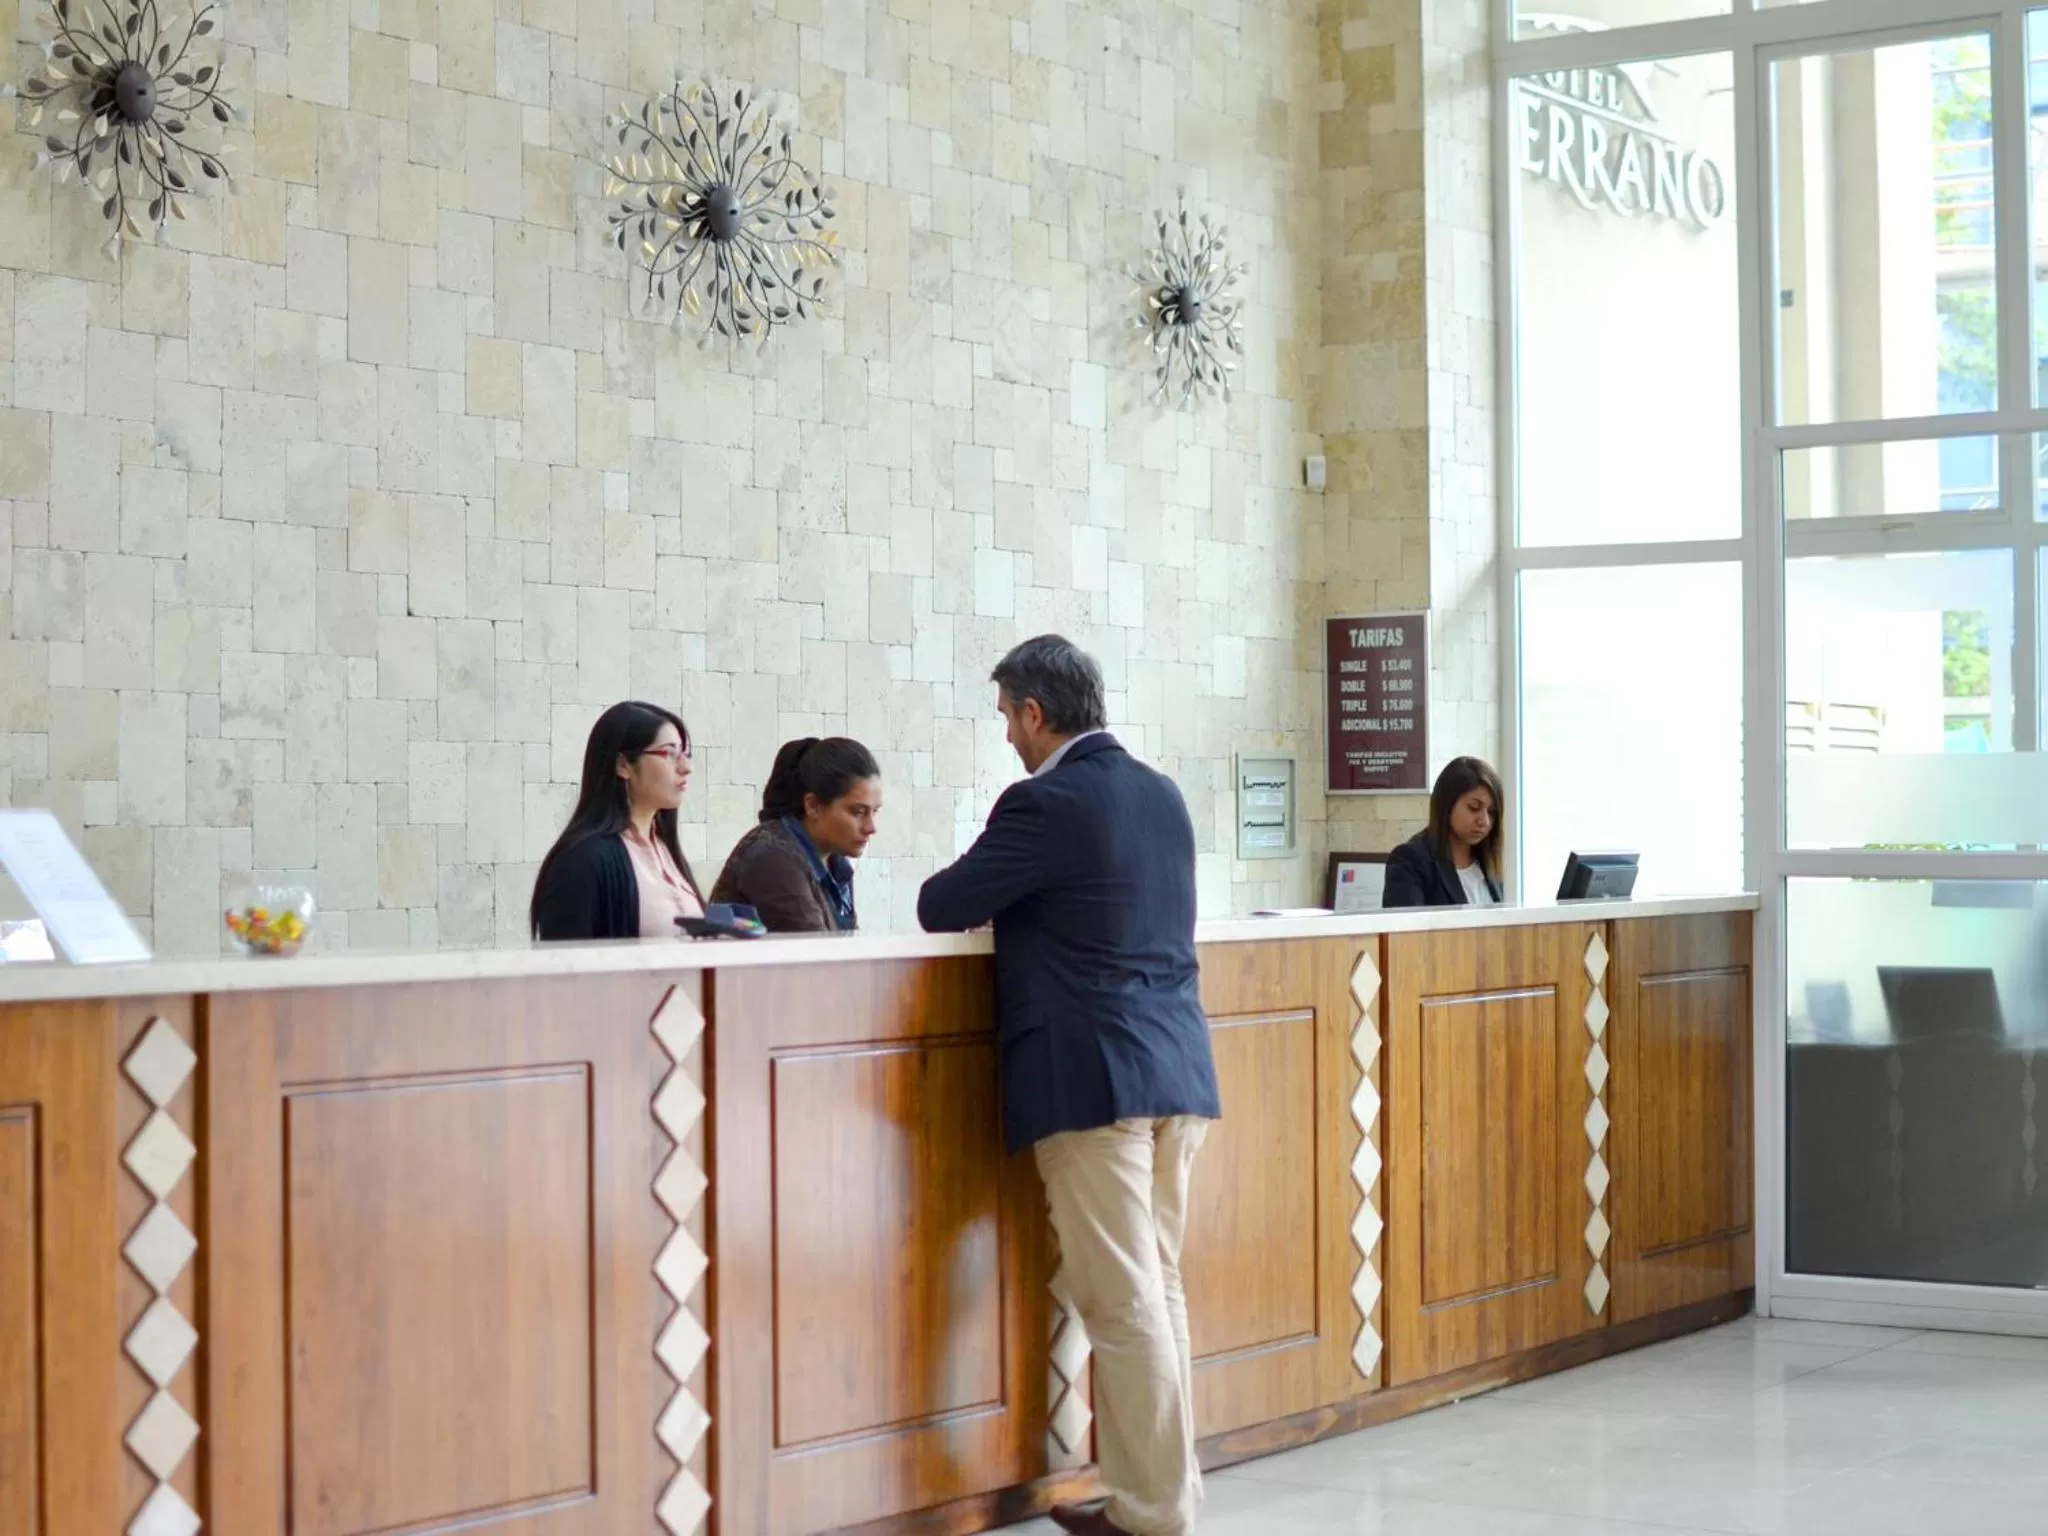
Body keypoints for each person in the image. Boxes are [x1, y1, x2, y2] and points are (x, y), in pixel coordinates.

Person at [918, 635, 1220, 1536]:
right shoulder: (1161, 795)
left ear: (1034, 713)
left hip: (1096, 1083)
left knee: (1125, 1305)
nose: (1007, 734)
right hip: (1177, 1071)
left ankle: (1153, 1515)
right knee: (1157, 1293)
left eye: (1008, 716)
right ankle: (1160, 1497)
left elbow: (942, 902)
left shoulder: (1044, 802)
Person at [529, 701, 705, 941]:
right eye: (669, 754)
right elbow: (567, 969)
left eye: (686, 754)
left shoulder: (666, 848)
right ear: (623, 765)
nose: (686, 767)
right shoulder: (582, 860)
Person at [710, 737, 881, 933]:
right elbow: (819, 958)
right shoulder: (773, 858)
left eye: (875, 811)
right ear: (813, 806)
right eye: (858, 812)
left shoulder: (836, 862)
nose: (871, 827)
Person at [1382, 755, 1505, 908]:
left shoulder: (1491, 861)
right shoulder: (1411, 861)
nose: (1484, 821)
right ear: (1447, 804)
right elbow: (1406, 929)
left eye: (1492, 812)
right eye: (1474, 807)